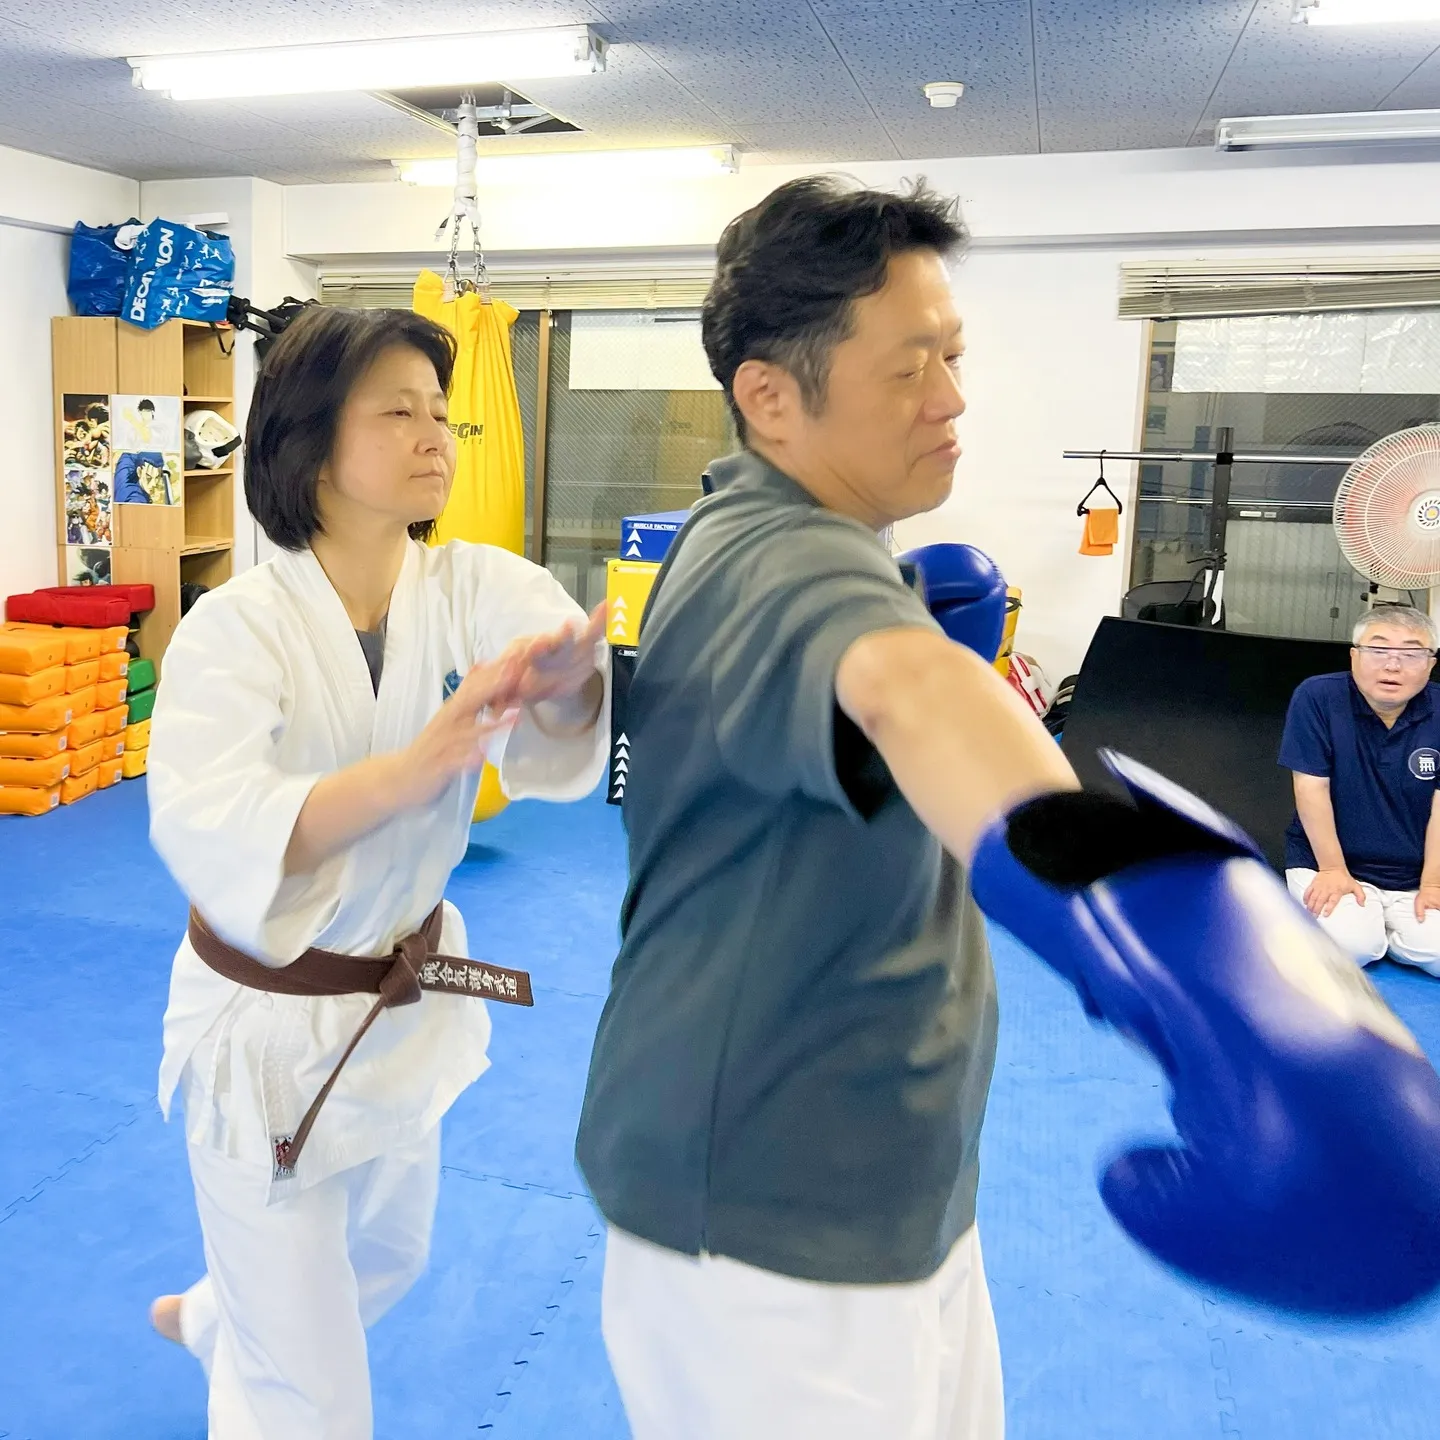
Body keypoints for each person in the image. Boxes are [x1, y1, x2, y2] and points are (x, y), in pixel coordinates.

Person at [575, 176, 1077, 1439]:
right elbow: (910, 688)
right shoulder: (781, 557)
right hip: (768, 1236)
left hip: (891, 1190)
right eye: (910, 369)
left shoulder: (796, 525)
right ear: (770, 398)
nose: (952, 399)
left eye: (954, 356)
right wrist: (1170, 933)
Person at [145, 305, 609, 1439]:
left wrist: (566, 687)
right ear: (309, 443)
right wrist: (416, 768)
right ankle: (251, 1343)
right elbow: (215, 821)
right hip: (269, 1030)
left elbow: (558, 708)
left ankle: (224, 1318)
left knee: (387, 1255)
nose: (435, 435)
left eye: (441, 413)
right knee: (308, 1394)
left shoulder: (473, 585)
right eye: (397, 411)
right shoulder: (233, 629)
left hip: (404, 1003)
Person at [1281, 602, 1440, 976]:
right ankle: (1377, 930)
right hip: (1327, 863)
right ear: (1354, 656)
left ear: (1431, 663)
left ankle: (1395, 930)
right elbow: (1310, 788)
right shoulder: (1317, 696)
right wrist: (1332, 868)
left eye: (1411, 653)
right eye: (1378, 649)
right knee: (1352, 948)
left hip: (1415, 874)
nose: (1393, 665)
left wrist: (1433, 882)